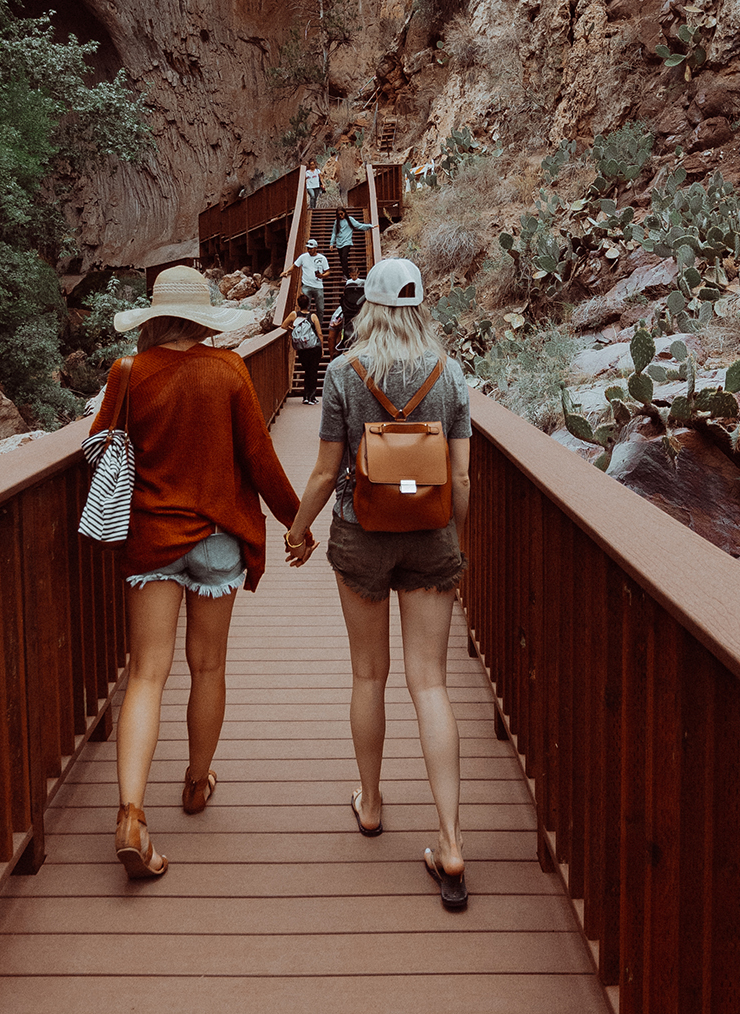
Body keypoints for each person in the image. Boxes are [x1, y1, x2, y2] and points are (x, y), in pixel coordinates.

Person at [88, 265, 300, 880]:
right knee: (208, 667)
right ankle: (196, 781)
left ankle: (131, 813)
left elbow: (101, 445)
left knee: (148, 675)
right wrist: (295, 522)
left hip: (152, 537)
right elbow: (259, 458)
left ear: (152, 319)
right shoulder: (229, 371)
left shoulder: (128, 373)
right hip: (217, 540)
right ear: (204, 318)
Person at [282, 258, 473, 910]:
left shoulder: (343, 372)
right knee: (432, 683)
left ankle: (370, 803)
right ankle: (449, 841)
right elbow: (463, 477)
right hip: (430, 537)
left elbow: (323, 469)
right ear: (420, 305)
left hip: (360, 533)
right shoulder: (450, 375)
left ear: (370, 306)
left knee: (369, 676)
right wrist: (456, 541)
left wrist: (297, 531)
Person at [283, 291, 324, 403]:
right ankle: (311, 397)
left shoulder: (294, 315)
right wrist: (322, 347)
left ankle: (305, 396)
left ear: (298, 304)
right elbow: (319, 333)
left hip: (302, 349)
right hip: (313, 347)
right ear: (308, 304)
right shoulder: (313, 316)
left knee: (307, 371)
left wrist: (294, 331)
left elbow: (283, 326)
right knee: (313, 372)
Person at [292, 236, 329, 322]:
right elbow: (295, 265)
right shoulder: (303, 257)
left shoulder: (322, 258)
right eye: (308, 248)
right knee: (305, 307)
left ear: (315, 248)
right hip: (306, 285)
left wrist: (322, 276)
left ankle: (318, 324)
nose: (309, 250)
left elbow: (328, 271)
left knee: (320, 308)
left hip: (318, 285)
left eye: (311, 248)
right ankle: (305, 324)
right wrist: (286, 271)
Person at [330, 206, 370, 280]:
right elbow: (334, 233)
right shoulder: (337, 222)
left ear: (344, 213)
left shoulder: (350, 220)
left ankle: (346, 274)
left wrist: (369, 226)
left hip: (347, 242)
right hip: (339, 243)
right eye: (338, 214)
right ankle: (345, 274)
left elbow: (359, 225)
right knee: (342, 259)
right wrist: (331, 243)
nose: (340, 216)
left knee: (344, 257)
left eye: (341, 214)